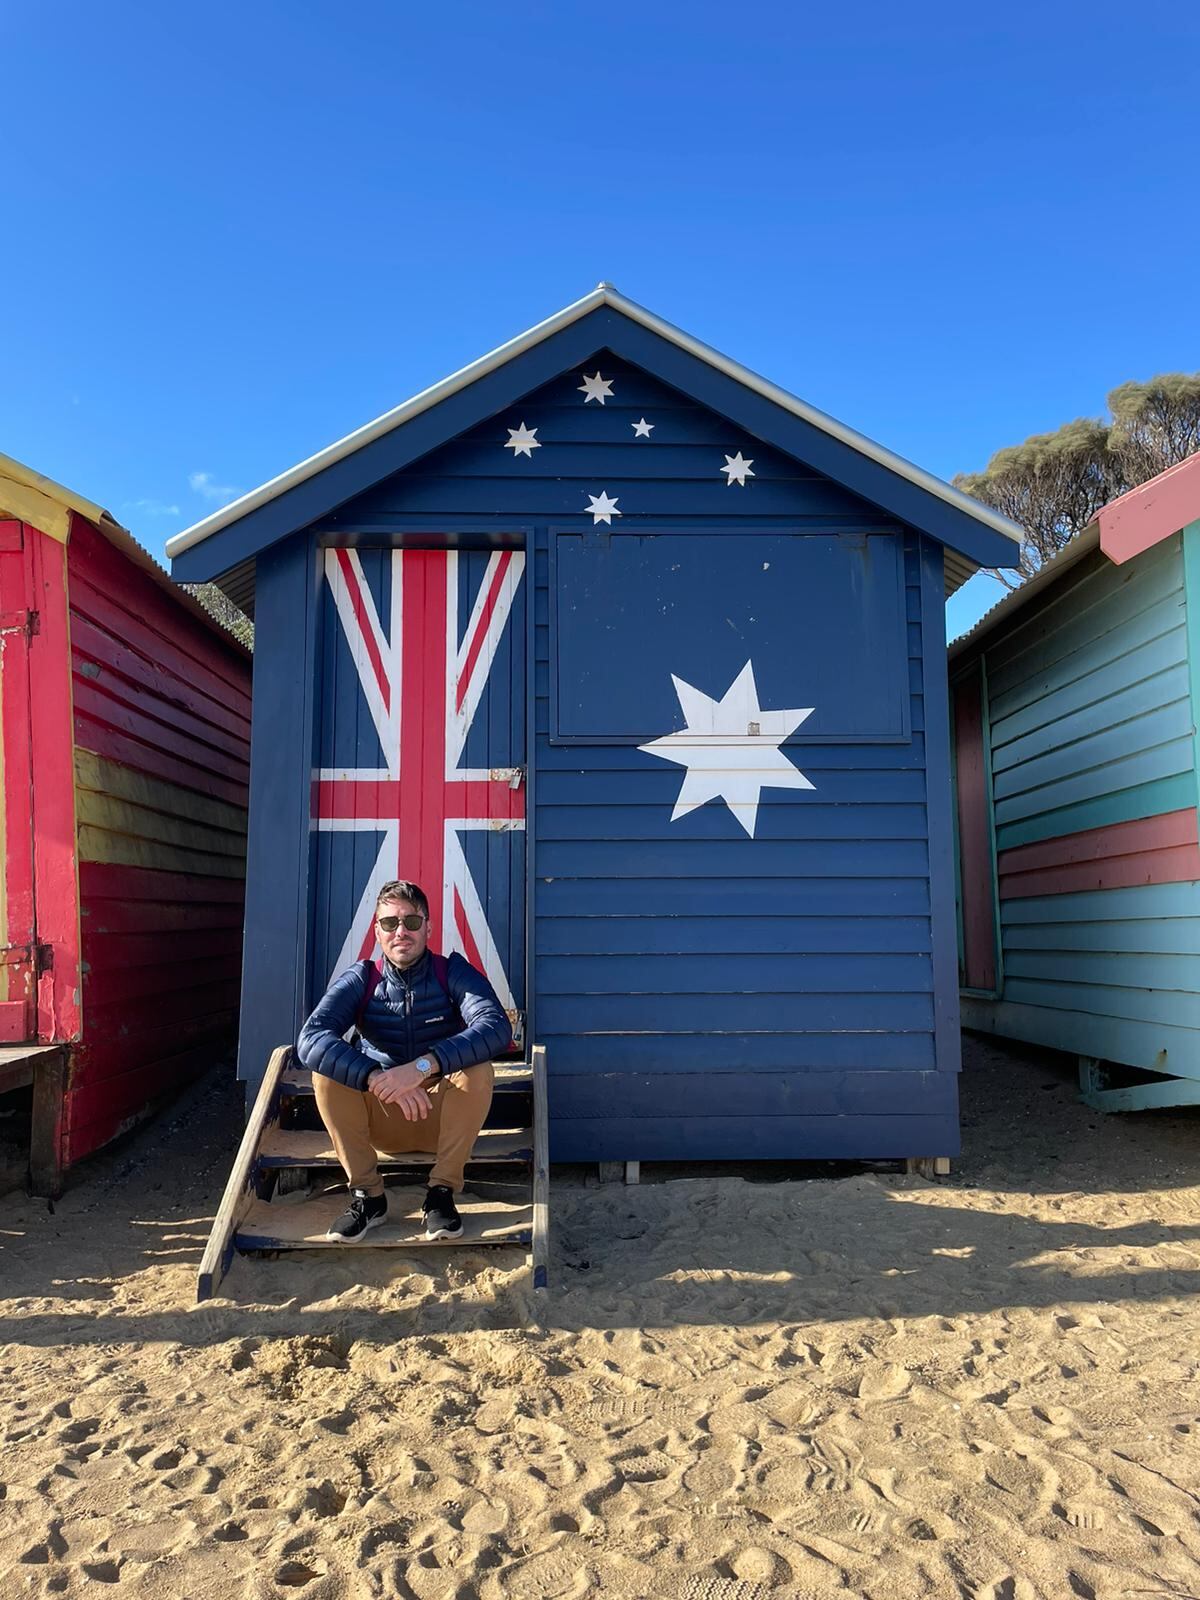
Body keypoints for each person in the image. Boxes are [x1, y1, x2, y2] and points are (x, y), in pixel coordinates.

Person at [296, 879, 512, 1243]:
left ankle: (441, 1194)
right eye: (390, 922)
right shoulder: (362, 979)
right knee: (326, 1074)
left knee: (478, 1068)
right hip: (381, 1118)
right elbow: (310, 1039)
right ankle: (368, 1197)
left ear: (428, 928)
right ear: (376, 929)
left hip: (440, 1118)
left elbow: (496, 1027)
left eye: (412, 922)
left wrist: (421, 1068)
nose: (401, 932)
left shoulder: (452, 973)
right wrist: (375, 1078)